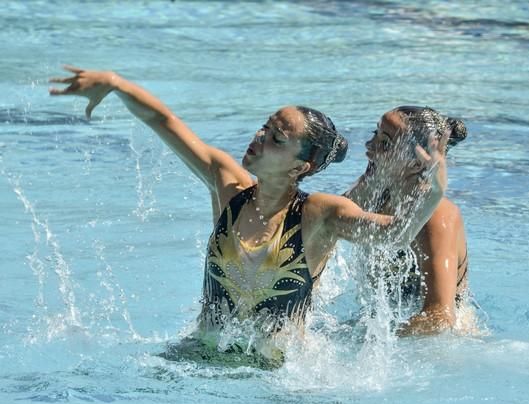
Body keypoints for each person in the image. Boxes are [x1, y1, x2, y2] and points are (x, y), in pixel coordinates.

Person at [49, 66, 448, 354]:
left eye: (276, 137)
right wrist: (115, 84)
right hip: (201, 357)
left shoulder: (320, 214)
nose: (258, 138)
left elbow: (393, 233)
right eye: (263, 128)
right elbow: (165, 120)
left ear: (300, 166)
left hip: (285, 376)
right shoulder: (229, 187)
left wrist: (433, 188)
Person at [345, 105, 473, 336]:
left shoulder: (437, 218)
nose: (368, 147)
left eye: (384, 143)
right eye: (375, 135)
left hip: (444, 341)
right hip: (391, 325)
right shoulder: (376, 194)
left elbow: (440, 318)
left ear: (416, 162)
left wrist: (373, 340)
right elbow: (327, 219)